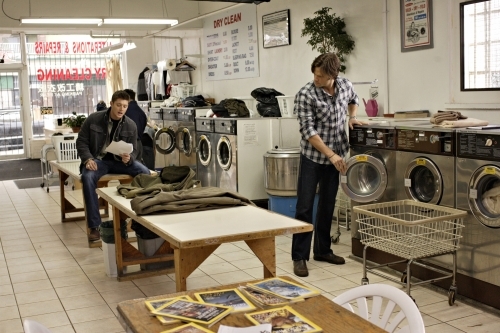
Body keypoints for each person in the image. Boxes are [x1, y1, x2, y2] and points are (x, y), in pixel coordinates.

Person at [292, 53, 363, 277]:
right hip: (313, 157)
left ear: (333, 75)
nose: (316, 78)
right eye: (314, 74)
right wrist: (331, 155)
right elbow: (308, 131)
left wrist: (352, 118)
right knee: (305, 207)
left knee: (327, 205)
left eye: (321, 76)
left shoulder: (344, 86)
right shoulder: (305, 94)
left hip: (337, 155)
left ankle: (322, 250)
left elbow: (354, 100)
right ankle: (299, 257)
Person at [76, 90, 150, 241]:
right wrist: (87, 159)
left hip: (120, 162)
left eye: (124, 106)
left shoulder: (130, 125)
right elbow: (81, 141)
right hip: (98, 161)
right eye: (118, 105)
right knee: (87, 177)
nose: (121, 109)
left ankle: (143, 220)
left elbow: (135, 149)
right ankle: (94, 227)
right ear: (111, 104)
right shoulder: (94, 119)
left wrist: (129, 158)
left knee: (145, 173)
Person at [124, 89, 148, 163]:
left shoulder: (125, 111)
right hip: (139, 144)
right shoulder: (141, 112)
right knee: (136, 171)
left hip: (129, 145)